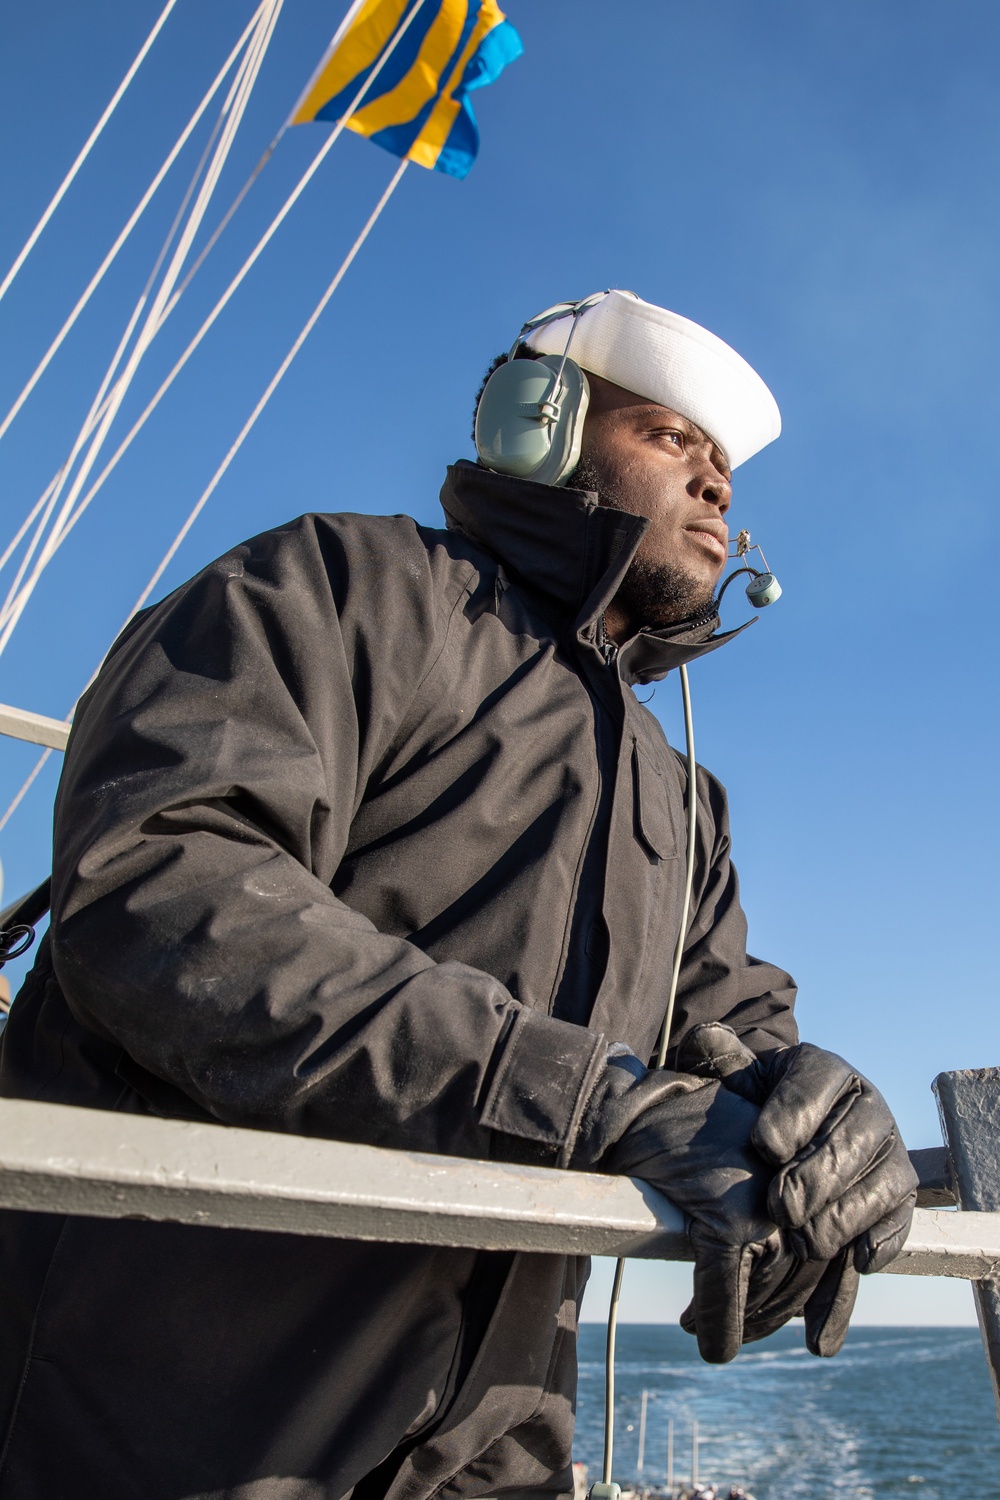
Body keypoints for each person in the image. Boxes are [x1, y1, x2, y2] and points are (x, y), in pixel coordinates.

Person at [0, 290, 917, 1499]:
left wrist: (819, 1119)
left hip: (497, 1447)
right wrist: (579, 1099)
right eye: (670, 438)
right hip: (169, 1425)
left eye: (726, 471)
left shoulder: (680, 793)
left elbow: (726, 1029)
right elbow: (165, 880)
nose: (716, 488)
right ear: (541, 427)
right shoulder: (341, 583)